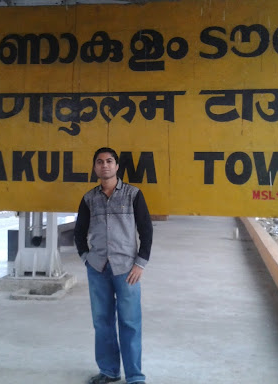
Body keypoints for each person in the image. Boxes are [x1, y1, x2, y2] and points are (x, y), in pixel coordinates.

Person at [74, 147, 153, 384]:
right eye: (100, 162)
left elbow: (146, 230)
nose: (104, 165)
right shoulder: (89, 198)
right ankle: (109, 371)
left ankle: (135, 377)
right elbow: (79, 233)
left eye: (109, 161)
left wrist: (140, 263)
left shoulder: (133, 194)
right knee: (102, 322)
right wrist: (86, 259)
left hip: (126, 269)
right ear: (95, 167)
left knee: (129, 322)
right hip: (98, 269)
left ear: (117, 166)